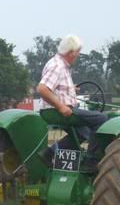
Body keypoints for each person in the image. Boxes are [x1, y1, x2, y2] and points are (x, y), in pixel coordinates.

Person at [36, 34, 108, 171]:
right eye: (77, 52)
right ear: (71, 52)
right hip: (57, 111)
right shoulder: (58, 66)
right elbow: (42, 88)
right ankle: (91, 161)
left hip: (54, 110)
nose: (78, 56)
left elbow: (54, 86)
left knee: (84, 133)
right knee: (101, 118)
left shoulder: (57, 64)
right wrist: (61, 106)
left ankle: (50, 153)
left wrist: (70, 88)